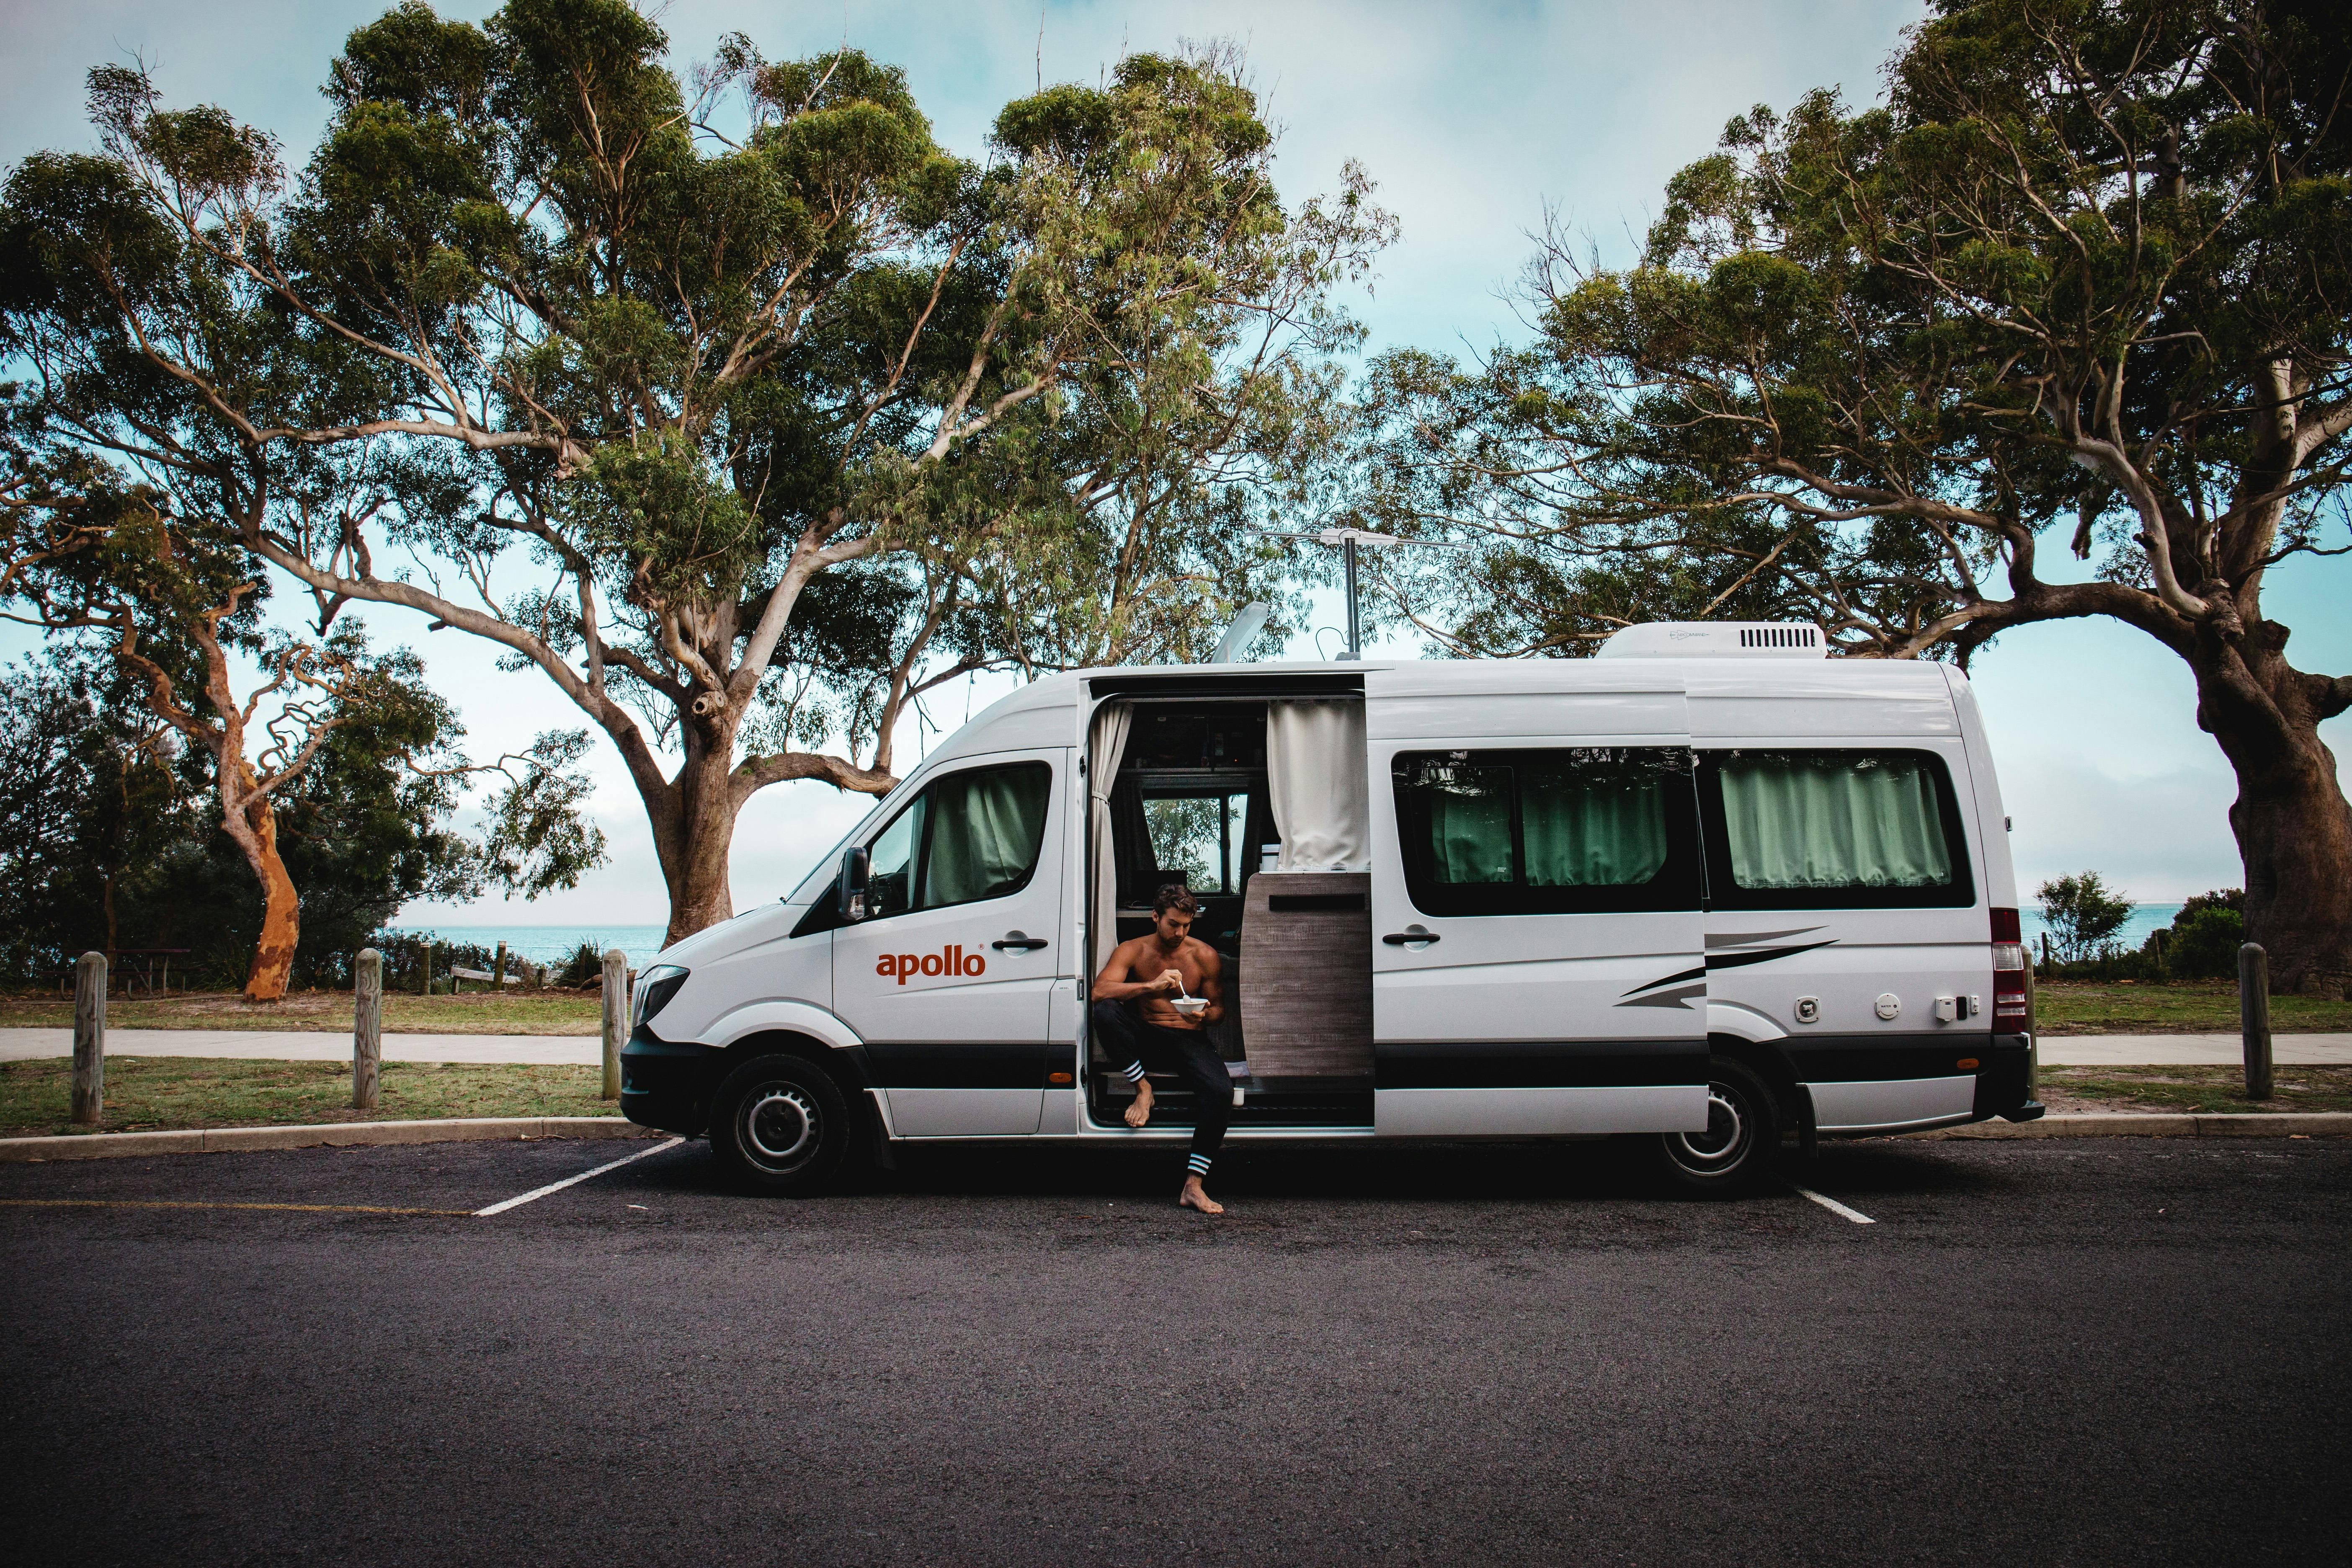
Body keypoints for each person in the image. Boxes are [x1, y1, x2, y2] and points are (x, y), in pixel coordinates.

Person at [1091, 883, 1233, 1215]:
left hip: (1189, 1039)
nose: (1180, 932)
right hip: (1146, 1037)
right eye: (1173, 924)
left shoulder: (1204, 955)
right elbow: (1100, 991)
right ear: (1156, 917)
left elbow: (1219, 1012)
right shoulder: (1134, 950)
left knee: (1221, 1092)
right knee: (1106, 1012)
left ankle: (1193, 1186)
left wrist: (1204, 1014)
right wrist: (1150, 986)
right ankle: (1143, 1088)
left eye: (1187, 925)